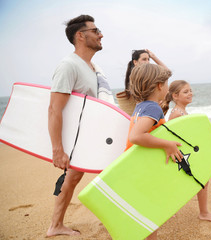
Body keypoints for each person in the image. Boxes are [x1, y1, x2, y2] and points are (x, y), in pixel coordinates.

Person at [47, 14, 114, 237]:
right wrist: (58, 150)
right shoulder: (69, 65)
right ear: (81, 35)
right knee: (78, 177)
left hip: (89, 136)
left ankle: (56, 225)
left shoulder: (92, 67)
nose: (101, 34)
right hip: (77, 140)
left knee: (73, 178)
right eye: (96, 31)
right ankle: (55, 225)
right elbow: (55, 108)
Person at [126, 63, 183, 240]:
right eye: (166, 83)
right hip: (145, 170)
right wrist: (167, 144)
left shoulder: (141, 106)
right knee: (152, 213)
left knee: (145, 211)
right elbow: (136, 136)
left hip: (136, 166)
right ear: (159, 85)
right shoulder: (153, 108)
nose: (167, 87)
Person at [162, 80, 211, 222]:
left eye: (190, 90)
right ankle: (202, 213)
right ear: (175, 96)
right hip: (181, 156)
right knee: (199, 180)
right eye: (185, 92)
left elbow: (192, 134)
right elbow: (168, 135)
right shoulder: (176, 113)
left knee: (200, 181)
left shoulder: (182, 111)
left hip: (185, 155)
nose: (190, 93)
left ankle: (176, 211)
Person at [116, 49, 167, 116]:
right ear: (135, 62)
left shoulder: (144, 75)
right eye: (144, 59)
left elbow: (167, 73)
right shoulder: (137, 77)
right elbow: (166, 72)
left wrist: (153, 57)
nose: (147, 62)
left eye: (148, 59)